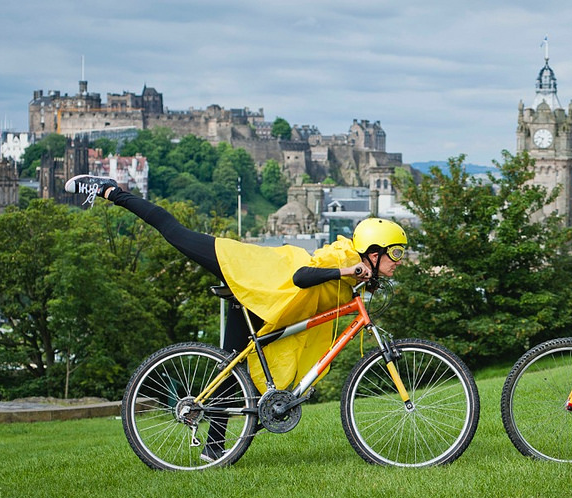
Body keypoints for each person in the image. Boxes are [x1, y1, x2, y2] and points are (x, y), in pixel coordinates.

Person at [65, 175, 408, 460]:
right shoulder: (339, 258)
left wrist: (357, 279)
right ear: (373, 252)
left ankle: (214, 449)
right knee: (173, 231)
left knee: (232, 373)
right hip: (244, 270)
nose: (399, 260)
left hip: (263, 305)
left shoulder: (357, 275)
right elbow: (301, 278)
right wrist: (346, 269)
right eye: (395, 253)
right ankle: (111, 190)